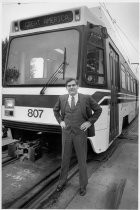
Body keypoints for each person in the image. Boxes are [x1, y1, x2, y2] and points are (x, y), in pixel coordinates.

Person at [53, 78, 102, 196]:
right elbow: (55, 111)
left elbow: (98, 109)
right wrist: (60, 121)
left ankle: (83, 185)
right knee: (65, 158)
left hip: (80, 133)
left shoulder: (86, 98)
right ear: (66, 88)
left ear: (77, 86)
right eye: (69, 86)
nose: (71, 87)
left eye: (73, 85)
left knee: (81, 159)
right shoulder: (62, 98)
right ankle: (62, 181)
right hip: (66, 133)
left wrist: (89, 122)